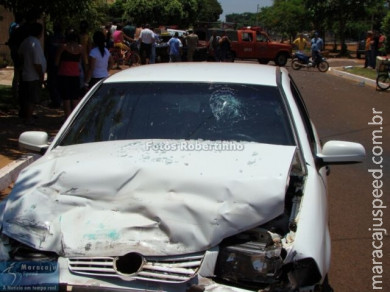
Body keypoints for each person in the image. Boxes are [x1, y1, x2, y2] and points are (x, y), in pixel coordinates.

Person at [18, 22, 47, 125]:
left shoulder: (25, 41)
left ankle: (26, 115)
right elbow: (37, 63)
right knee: (32, 98)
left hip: (26, 73)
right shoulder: (35, 43)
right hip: (33, 75)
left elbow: (20, 55)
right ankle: (28, 118)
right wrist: (41, 75)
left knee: (26, 97)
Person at [55, 29, 87, 118]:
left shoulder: (63, 47)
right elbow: (85, 62)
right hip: (75, 74)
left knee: (66, 98)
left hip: (64, 74)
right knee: (75, 97)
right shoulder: (81, 48)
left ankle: (67, 117)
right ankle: (74, 118)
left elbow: (56, 62)